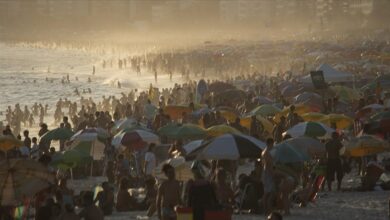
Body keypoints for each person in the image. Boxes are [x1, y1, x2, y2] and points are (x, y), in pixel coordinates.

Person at [262, 138, 276, 215]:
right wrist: (273, 174)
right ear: (270, 144)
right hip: (268, 174)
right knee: (270, 193)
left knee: (267, 193)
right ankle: (268, 210)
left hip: (265, 173)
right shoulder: (267, 153)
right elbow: (269, 165)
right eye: (272, 144)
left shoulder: (264, 152)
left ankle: (266, 210)